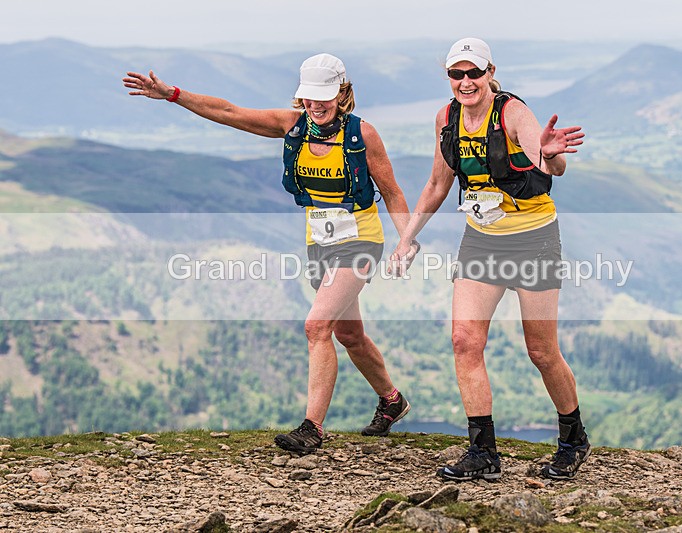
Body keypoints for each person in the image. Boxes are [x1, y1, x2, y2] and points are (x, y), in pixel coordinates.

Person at [124, 53, 414, 455]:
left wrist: (405, 240)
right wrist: (172, 94)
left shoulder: (363, 135)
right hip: (320, 243)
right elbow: (229, 112)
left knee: (316, 327)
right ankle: (392, 400)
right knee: (349, 334)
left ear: (342, 93)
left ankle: (312, 428)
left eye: (324, 97)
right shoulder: (291, 125)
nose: (316, 105)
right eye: (310, 98)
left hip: (361, 240)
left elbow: (394, 191)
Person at [390, 38, 589, 481]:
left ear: (489, 72)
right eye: (456, 74)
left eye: (473, 73)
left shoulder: (513, 113)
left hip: (533, 238)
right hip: (481, 240)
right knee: (464, 340)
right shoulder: (446, 118)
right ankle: (482, 453)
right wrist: (406, 238)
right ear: (448, 78)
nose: (465, 82)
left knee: (541, 350)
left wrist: (553, 156)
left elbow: (548, 166)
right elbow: (438, 184)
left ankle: (573, 438)